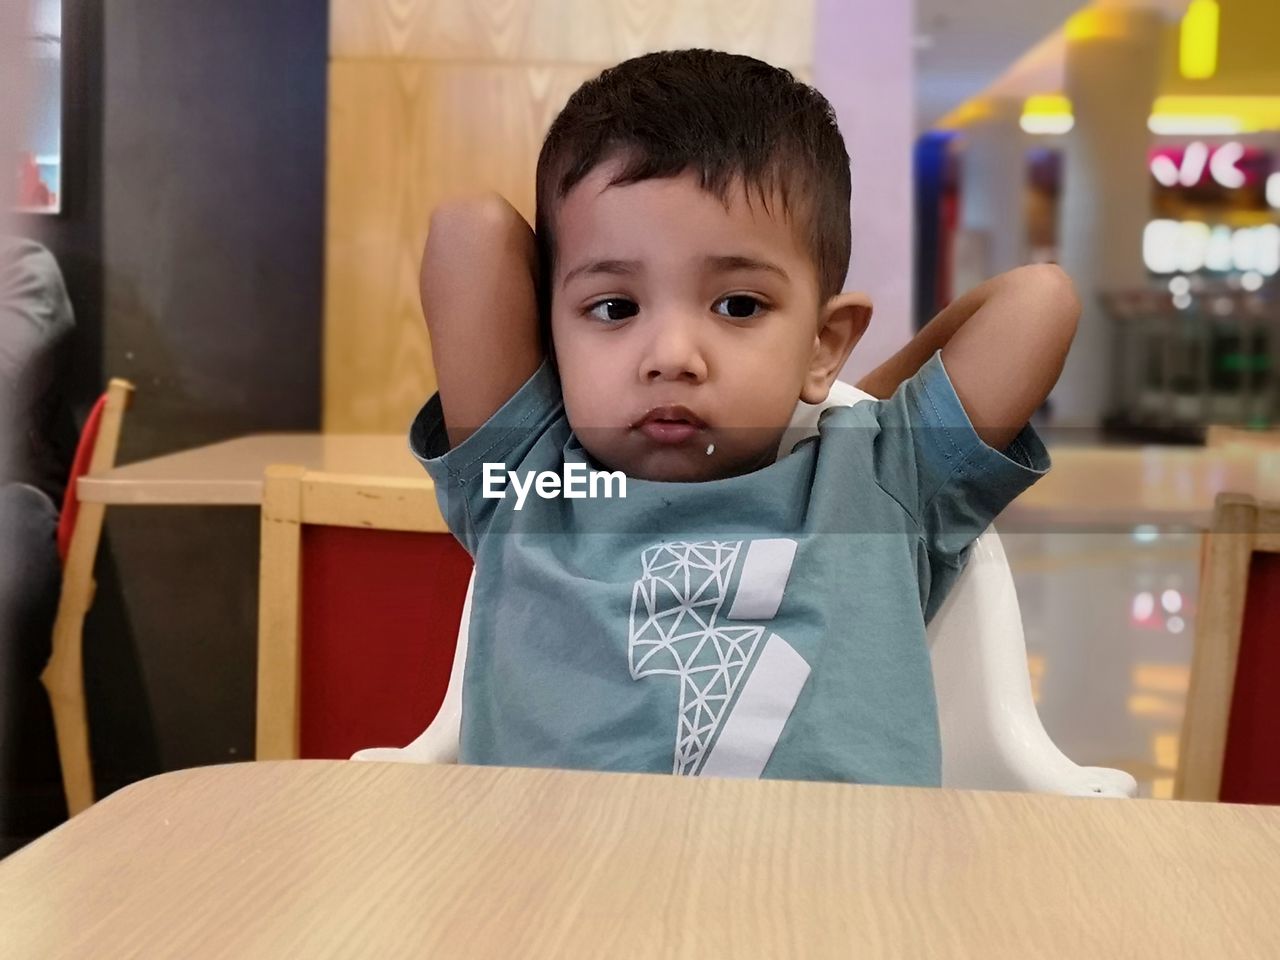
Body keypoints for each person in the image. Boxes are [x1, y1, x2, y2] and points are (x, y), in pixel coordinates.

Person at [395, 50, 1078, 784]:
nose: (672, 355)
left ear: (824, 343)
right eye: (614, 308)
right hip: (563, 890)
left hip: (833, 893)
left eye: (738, 306)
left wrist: (856, 403)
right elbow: (469, 230)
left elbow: (1039, 301)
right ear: (551, 338)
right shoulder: (526, 481)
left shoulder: (885, 483)